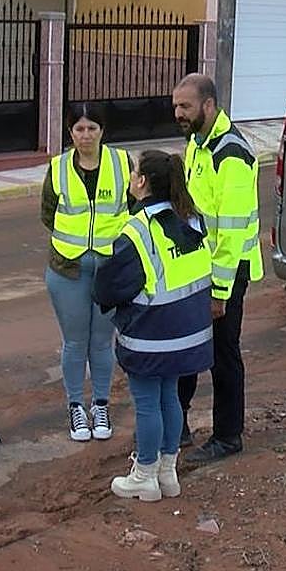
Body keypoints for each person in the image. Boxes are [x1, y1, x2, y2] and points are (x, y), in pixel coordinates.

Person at [94, 150, 213, 501]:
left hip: (151, 337)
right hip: (188, 335)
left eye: (133, 173)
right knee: (170, 399)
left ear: (142, 182)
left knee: (147, 403)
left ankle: (145, 474)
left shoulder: (136, 232)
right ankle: (167, 473)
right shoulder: (191, 220)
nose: (130, 178)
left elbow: (108, 288)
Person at [172, 74, 263, 464]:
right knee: (188, 347)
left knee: (223, 355)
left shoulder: (232, 155)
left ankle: (228, 436)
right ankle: (176, 426)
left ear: (208, 106)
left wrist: (219, 293)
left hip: (226, 273)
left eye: (185, 107)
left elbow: (231, 231)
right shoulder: (198, 142)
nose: (178, 113)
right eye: (176, 106)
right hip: (199, 267)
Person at [40, 103, 131, 442]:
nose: (86, 135)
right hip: (68, 268)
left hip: (109, 269)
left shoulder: (122, 164)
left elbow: (134, 209)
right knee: (75, 342)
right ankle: (76, 406)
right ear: (70, 132)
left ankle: (101, 404)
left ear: (102, 131)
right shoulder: (58, 168)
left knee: (102, 342)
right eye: (79, 129)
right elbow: (48, 213)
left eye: (92, 128)